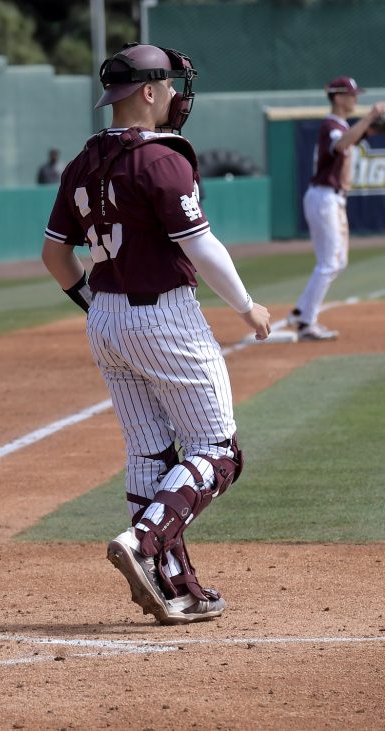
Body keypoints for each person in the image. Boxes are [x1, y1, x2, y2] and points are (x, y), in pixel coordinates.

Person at [42, 43, 272, 625]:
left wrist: (95, 305)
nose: (175, 95)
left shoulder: (83, 160)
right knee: (219, 451)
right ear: (148, 92)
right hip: (164, 318)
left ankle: (174, 588)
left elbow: (54, 255)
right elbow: (200, 246)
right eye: (169, 86)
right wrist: (247, 307)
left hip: (106, 320)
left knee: (149, 453)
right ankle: (144, 542)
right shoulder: (161, 158)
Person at [288, 76, 385, 340]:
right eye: (352, 95)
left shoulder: (340, 126)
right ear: (339, 97)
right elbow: (341, 144)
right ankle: (307, 323)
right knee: (330, 262)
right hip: (324, 197)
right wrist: (371, 115)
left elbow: (362, 134)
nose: (355, 99)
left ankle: (300, 311)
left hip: (332, 198)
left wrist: (374, 126)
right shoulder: (331, 125)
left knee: (337, 262)